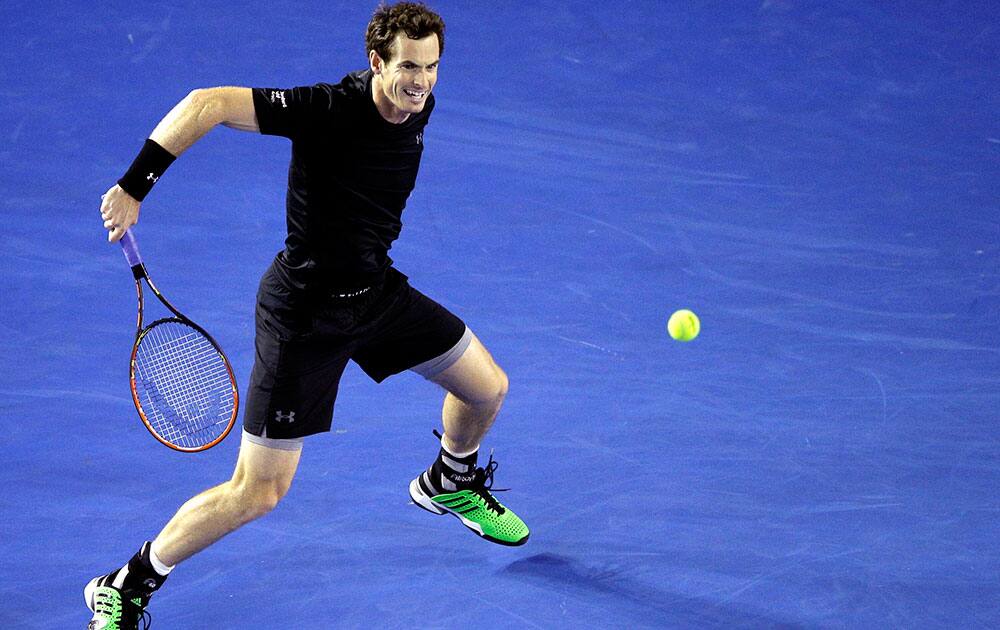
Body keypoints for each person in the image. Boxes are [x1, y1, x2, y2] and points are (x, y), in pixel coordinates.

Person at [88, 3, 528, 628]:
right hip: (303, 316)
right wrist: (135, 186)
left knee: (487, 389)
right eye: (407, 66)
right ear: (376, 62)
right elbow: (207, 102)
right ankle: (127, 582)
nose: (421, 82)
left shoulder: (417, 102)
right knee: (258, 492)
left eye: (432, 68)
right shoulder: (328, 109)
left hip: (374, 295)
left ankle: (449, 480)